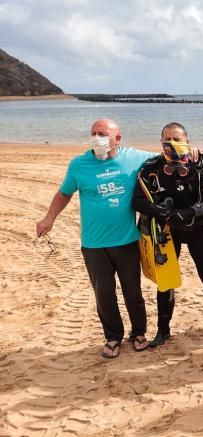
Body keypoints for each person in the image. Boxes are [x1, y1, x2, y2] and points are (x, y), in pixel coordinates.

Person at [35, 118, 151, 359]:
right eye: (94, 133)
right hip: (94, 244)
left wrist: (189, 151)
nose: (97, 137)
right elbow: (64, 194)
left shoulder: (135, 158)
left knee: (133, 291)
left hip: (127, 240)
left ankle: (138, 332)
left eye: (103, 133)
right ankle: (113, 337)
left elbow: (166, 156)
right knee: (104, 294)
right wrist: (49, 219)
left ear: (117, 139)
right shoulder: (79, 165)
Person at [133, 122, 203, 347]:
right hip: (167, 232)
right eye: (168, 139)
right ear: (161, 143)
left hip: (196, 230)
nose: (173, 144)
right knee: (166, 281)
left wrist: (190, 212)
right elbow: (138, 200)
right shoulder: (152, 168)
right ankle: (163, 331)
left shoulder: (200, 165)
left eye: (178, 139)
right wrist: (162, 212)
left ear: (187, 142)